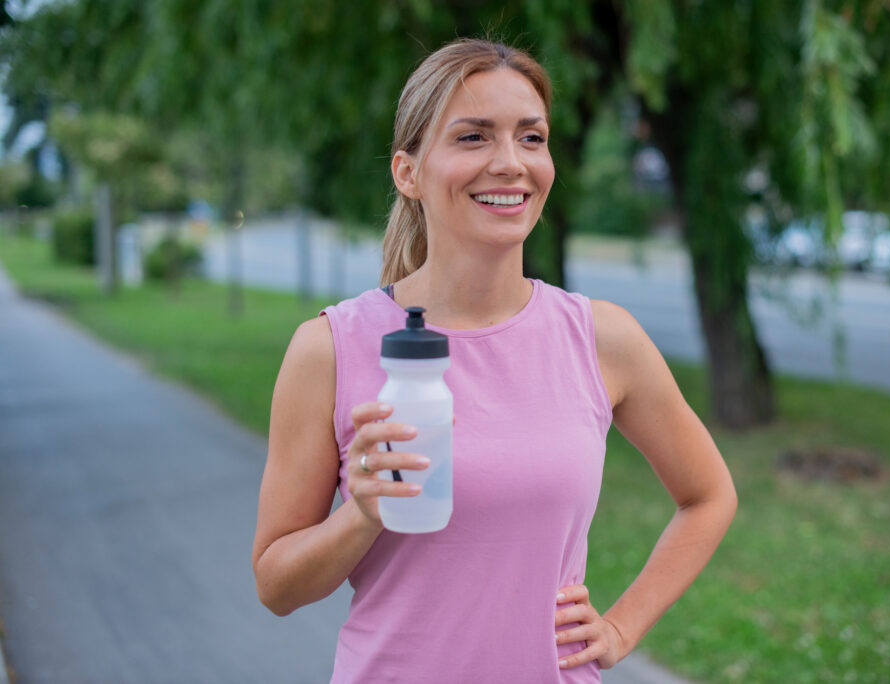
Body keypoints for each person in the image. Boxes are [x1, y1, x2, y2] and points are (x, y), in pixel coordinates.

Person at [252, 38, 737, 683]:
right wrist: (362, 513)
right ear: (408, 172)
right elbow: (276, 585)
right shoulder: (330, 348)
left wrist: (621, 627)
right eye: (474, 137)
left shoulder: (601, 339)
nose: (510, 163)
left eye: (531, 138)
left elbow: (708, 495)